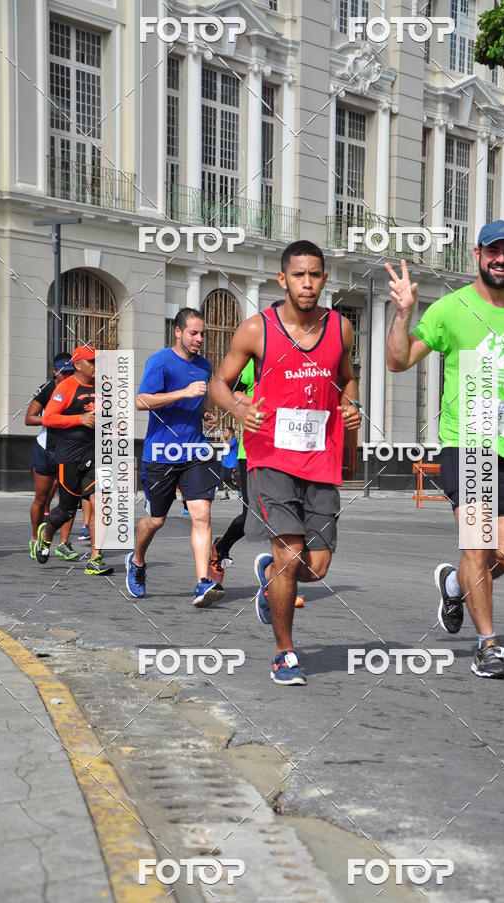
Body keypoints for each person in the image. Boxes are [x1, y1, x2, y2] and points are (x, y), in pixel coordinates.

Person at [385, 220, 504, 679]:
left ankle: (454, 586)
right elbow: (398, 362)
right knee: (478, 545)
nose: (501, 259)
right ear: (477, 254)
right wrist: (403, 314)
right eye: (492, 251)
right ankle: (488, 645)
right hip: (467, 443)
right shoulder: (450, 309)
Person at [210, 240, 361, 686]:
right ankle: (284, 653)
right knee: (290, 554)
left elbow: (347, 380)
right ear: (283, 279)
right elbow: (219, 383)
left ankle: (271, 576)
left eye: (314, 275)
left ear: (324, 279)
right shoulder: (256, 329)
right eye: (299, 275)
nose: (307, 283)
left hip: (320, 458)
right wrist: (237, 409)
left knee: (315, 567)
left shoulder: (340, 329)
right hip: (269, 457)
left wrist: (351, 409)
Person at [125, 307, 223, 607]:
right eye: (193, 333)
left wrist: (205, 413)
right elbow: (141, 401)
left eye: (202, 333)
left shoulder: (204, 365)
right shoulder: (160, 361)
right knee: (156, 520)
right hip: (161, 452)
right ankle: (137, 560)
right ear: (178, 331)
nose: (199, 339)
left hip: (194, 450)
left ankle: (202, 582)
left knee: (201, 515)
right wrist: (183, 393)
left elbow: (199, 398)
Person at [207, 361, 306, 609]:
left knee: (286, 515)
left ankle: (278, 581)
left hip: (287, 448)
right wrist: (259, 406)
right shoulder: (254, 360)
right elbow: (233, 393)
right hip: (252, 451)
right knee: (253, 515)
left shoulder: (299, 361)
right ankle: (221, 547)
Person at [34, 346, 114, 576]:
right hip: (69, 456)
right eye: (92, 362)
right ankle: (47, 534)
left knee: (101, 504)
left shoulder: (103, 386)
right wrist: (80, 419)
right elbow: (48, 418)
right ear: (78, 365)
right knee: (67, 511)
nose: (97, 366)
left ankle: (95, 559)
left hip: (95, 455)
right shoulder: (66, 387)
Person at [26, 353, 80, 561]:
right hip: (46, 449)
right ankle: (35, 539)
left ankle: (63, 543)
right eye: (63, 373)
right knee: (41, 498)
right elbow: (29, 419)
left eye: (71, 372)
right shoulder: (47, 389)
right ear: (55, 371)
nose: (67, 376)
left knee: (70, 500)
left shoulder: (80, 389)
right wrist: (54, 419)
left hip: (71, 450)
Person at [218, 427, 238, 499]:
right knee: (224, 479)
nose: (225, 433)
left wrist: (223, 439)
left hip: (231, 463)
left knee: (229, 478)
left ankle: (239, 489)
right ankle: (226, 494)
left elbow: (228, 446)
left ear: (230, 433)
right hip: (225, 462)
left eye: (226, 431)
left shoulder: (234, 440)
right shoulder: (226, 440)